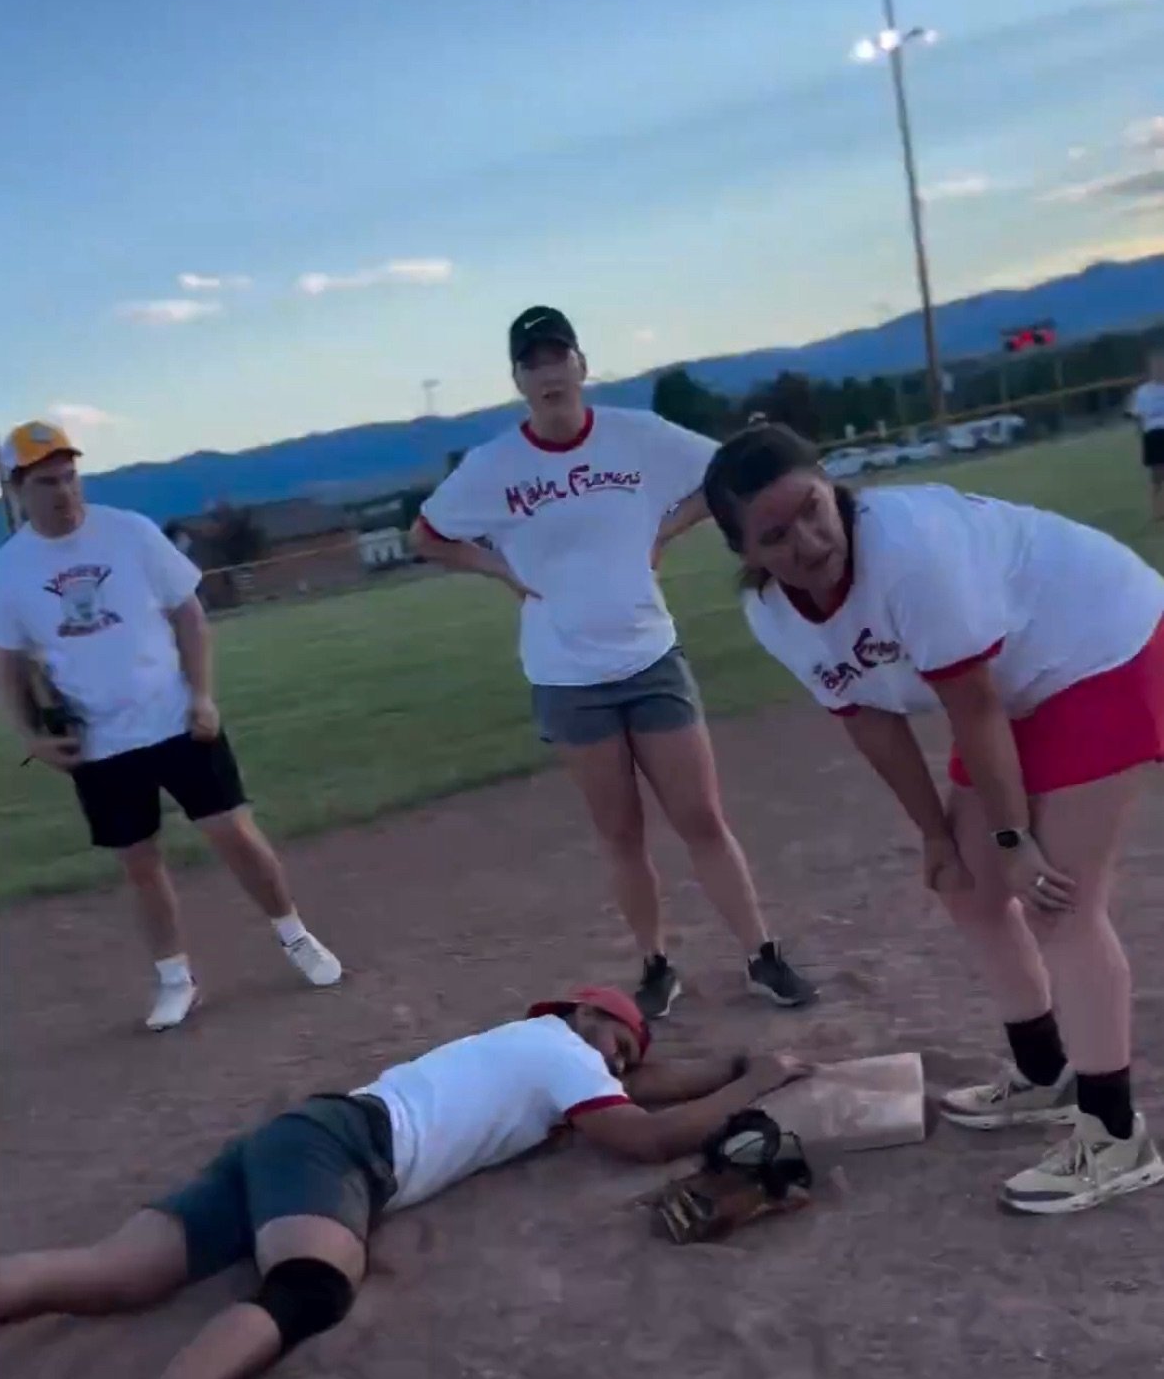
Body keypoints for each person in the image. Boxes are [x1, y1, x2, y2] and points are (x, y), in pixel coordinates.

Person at [0, 985, 806, 1379]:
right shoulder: (562, 1049)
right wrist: (757, 1082)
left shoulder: (537, 1048)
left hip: (298, 1138)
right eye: (616, 1046)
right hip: (343, 1152)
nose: (619, 1065)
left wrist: (732, 1065)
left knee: (116, 1272)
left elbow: (655, 1087)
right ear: (580, 1018)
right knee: (311, 1287)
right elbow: (647, 1136)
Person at [702, 420, 1164, 1216]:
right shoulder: (774, 613)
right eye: (775, 535)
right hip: (1018, 680)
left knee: (1059, 899)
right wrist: (935, 833)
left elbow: (971, 704)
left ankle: (1116, 1134)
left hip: (1102, 648)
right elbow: (871, 720)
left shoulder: (908, 550)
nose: (809, 541)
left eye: (813, 508)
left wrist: (1015, 838)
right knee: (967, 886)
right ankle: (1044, 1071)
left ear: (831, 484)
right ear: (745, 552)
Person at [410, 306, 815, 1022]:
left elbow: (722, 473)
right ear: (518, 380)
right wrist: (496, 567)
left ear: (580, 365)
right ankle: (657, 964)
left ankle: (762, 953)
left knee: (700, 816)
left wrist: (665, 530)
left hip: (648, 654)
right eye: (532, 362)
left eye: (557, 356)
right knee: (621, 831)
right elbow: (427, 533)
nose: (547, 372)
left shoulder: (636, 435)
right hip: (566, 677)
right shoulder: (493, 466)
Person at [0, 421, 341, 1030]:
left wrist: (203, 695)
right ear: (17, 489)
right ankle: (174, 979)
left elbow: (188, 612)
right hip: (97, 743)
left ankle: (295, 936)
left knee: (234, 833)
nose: (64, 491)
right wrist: (31, 735)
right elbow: (9, 660)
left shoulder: (130, 532)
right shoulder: (11, 569)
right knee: (139, 863)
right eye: (47, 481)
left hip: (176, 718)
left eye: (71, 475)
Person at [1126, 351, 1164, 524]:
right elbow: (1138, 416)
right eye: (1156, 367)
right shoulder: (1143, 392)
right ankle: (1156, 510)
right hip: (1153, 435)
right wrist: (1141, 435)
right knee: (1157, 474)